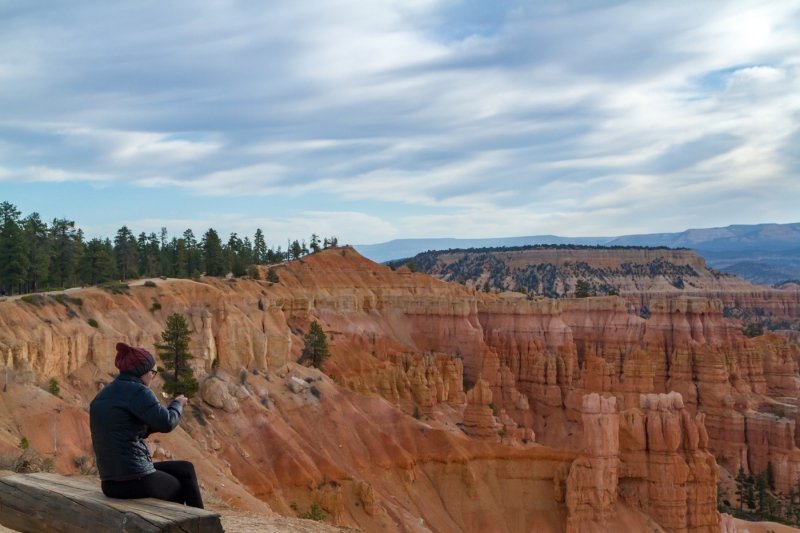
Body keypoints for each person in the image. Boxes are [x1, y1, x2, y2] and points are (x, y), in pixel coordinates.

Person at [90, 342, 204, 508]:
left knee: (185, 469)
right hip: (133, 479)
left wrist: (146, 427)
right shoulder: (139, 391)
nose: (153, 376)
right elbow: (167, 423)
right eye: (153, 372)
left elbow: (123, 430)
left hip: (110, 482)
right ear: (142, 371)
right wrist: (177, 404)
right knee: (179, 487)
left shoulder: (103, 395)